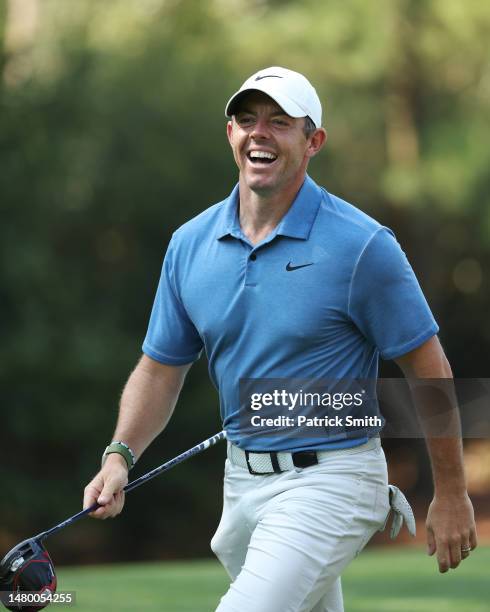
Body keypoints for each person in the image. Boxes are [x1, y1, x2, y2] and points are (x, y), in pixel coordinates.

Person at [83, 67, 477, 612]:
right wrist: (119, 455)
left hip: (334, 481)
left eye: (279, 122)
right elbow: (160, 369)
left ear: (313, 141)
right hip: (241, 486)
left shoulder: (362, 246)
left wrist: (451, 492)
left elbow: (428, 367)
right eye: (247, 120)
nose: (259, 132)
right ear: (230, 135)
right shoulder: (190, 244)